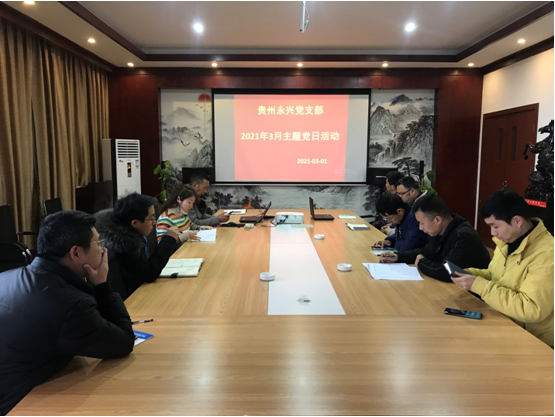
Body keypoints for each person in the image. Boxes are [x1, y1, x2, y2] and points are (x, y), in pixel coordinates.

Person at [0, 211, 135, 415]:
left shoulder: (7, 276)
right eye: (98, 243)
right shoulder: (69, 305)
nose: (103, 250)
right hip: (21, 405)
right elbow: (123, 342)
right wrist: (102, 285)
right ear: (76, 253)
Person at [451, 190, 554, 347]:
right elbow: (495, 276)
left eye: (495, 226)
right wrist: (471, 274)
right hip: (504, 322)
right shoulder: (507, 242)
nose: (493, 233)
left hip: (537, 341)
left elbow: (531, 309)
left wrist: (478, 285)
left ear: (517, 221)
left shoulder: (547, 254)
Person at [380, 194, 491, 282]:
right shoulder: (440, 231)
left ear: (437, 220)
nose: (420, 228)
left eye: (422, 223)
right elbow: (427, 251)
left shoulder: (463, 236)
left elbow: (448, 271)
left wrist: (421, 262)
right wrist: (398, 257)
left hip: (475, 296)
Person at [95, 193, 180, 300]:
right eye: (151, 219)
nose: (154, 223)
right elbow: (149, 274)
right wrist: (169, 240)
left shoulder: (124, 229)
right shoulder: (125, 245)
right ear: (135, 223)